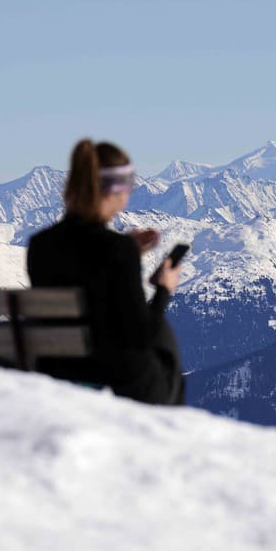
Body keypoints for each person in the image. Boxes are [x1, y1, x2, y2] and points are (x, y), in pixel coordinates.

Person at [27, 139, 184, 405]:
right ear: (116, 190)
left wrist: (128, 253)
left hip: (59, 371)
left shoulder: (40, 245)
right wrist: (163, 291)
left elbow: (82, 266)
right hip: (121, 380)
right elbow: (141, 335)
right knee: (165, 345)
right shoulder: (117, 249)